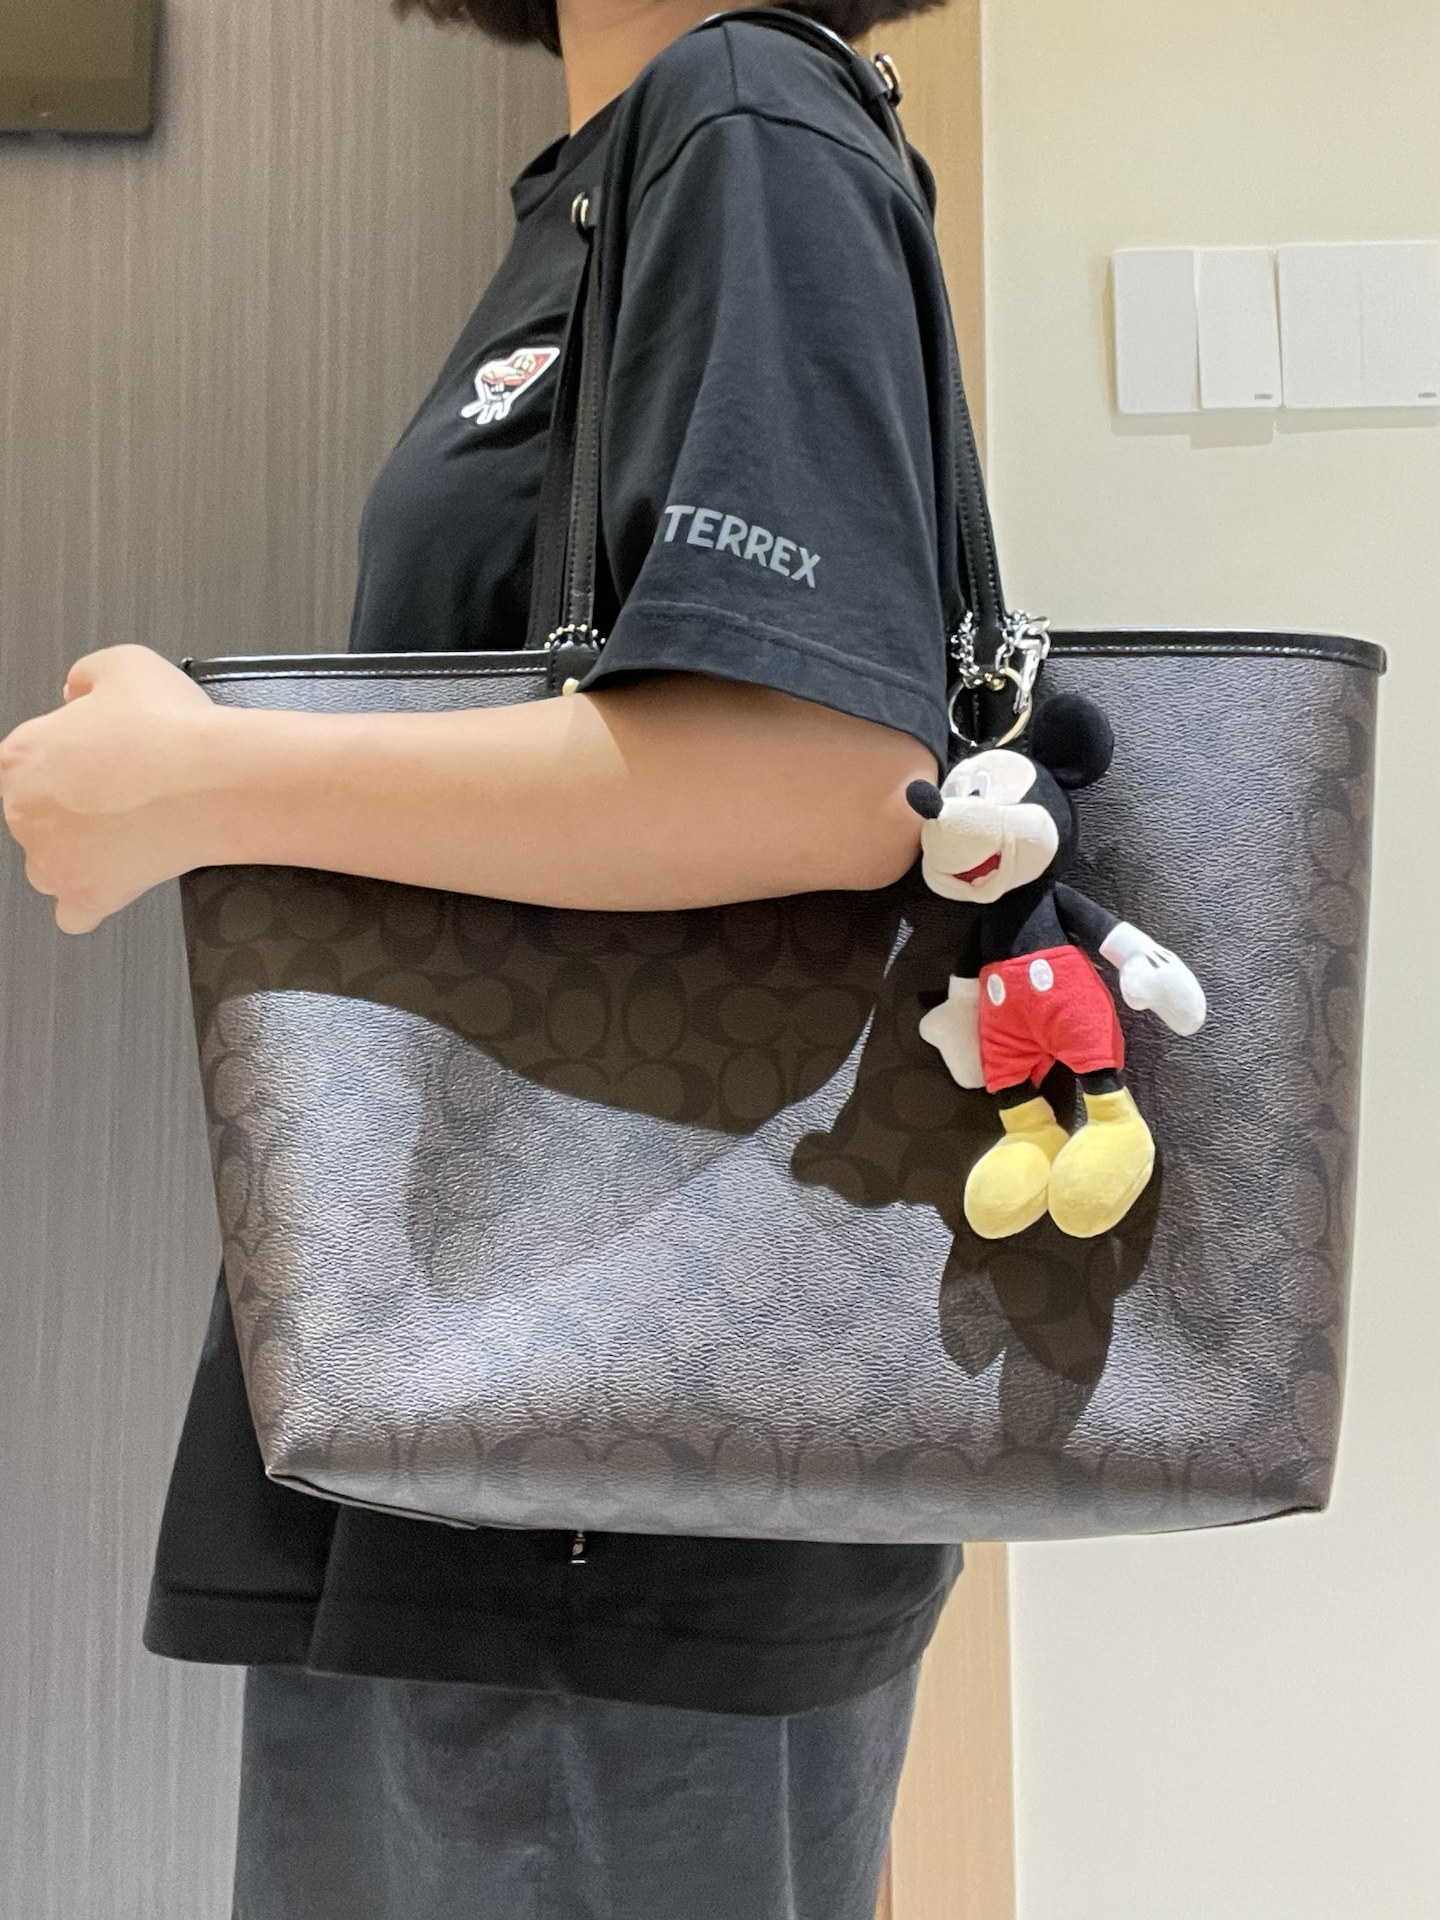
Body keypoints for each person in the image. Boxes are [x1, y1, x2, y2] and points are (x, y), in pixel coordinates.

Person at [0, 0, 969, 1912]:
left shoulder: (744, 115)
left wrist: (210, 779)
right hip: (504, 1436)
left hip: (595, 1500)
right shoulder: (634, 168)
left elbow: (825, 771)